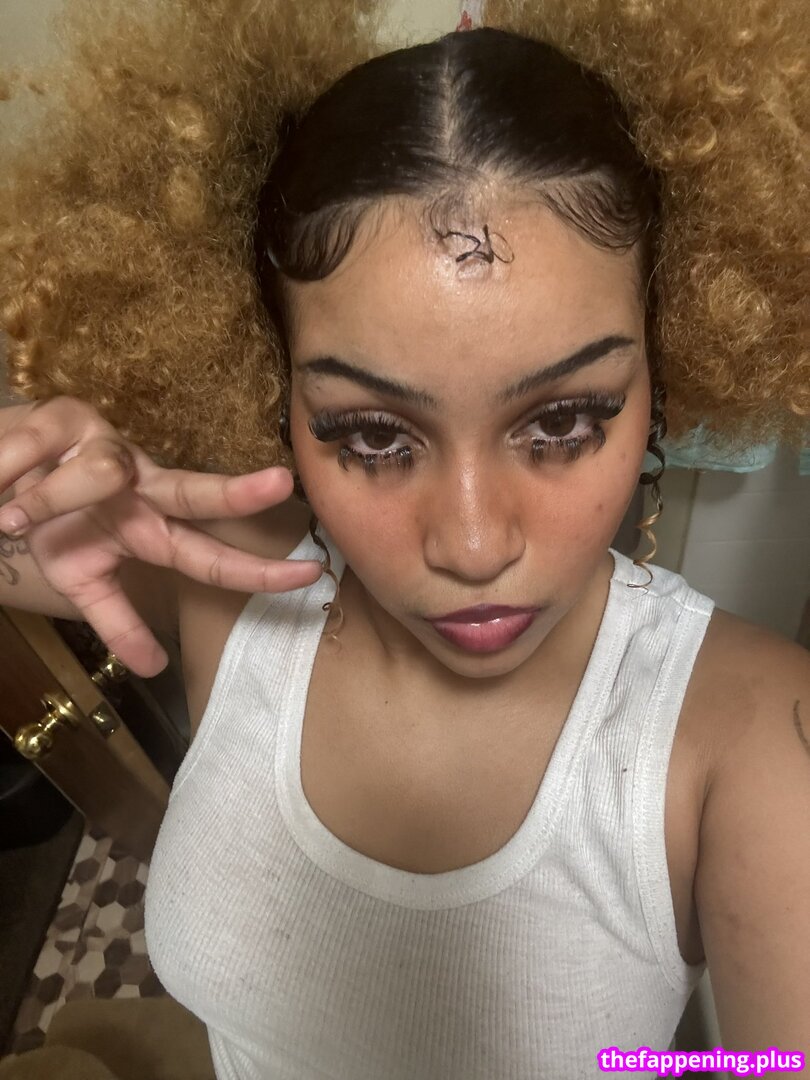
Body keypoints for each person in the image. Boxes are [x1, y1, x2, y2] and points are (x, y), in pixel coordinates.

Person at [0, 1, 808, 1077]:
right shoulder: (233, 569)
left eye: (564, 421)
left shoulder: (747, 747)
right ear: (275, 396)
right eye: (373, 435)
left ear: (662, 378)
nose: (472, 545)